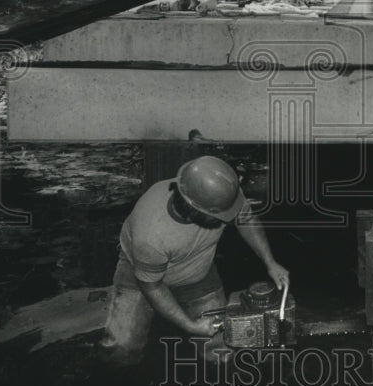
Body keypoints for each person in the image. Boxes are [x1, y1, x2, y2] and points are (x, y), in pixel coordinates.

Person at [101, 156, 289, 367]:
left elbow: (245, 218)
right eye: (221, 215)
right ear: (196, 211)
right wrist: (190, 326)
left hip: (198, 271)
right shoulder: (151, 233)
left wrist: (270, 262)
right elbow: (152, 285)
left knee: (221, 347)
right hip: (139, 276)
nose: (228, 218)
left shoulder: (220, 193)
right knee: (121, 349)